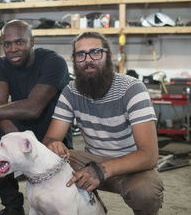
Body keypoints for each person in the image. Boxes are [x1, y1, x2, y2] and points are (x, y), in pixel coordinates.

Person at [0, 20, 72, 215]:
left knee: (57, 198)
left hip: (52, 133)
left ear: (32, 41)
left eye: (19, 42)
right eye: (7, 44)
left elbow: (34, 107)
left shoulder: (53, 62)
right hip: (21, 127)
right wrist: (12, 137)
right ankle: (12, 206)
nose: (13, 49)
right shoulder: (1, 64)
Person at [43, 31, 164, 215]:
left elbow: (149, 155)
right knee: (49, 162)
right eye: (81, 55)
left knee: (146, 192)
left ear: (109, 56)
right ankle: (85, 207)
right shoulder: (71, 92)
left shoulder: (132, 89)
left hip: (130, 164)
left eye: (96, 52)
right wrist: (54, 145)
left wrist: (102, 170)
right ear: (75, 60)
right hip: (90, 160)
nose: (88, 59)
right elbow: (50, 138)